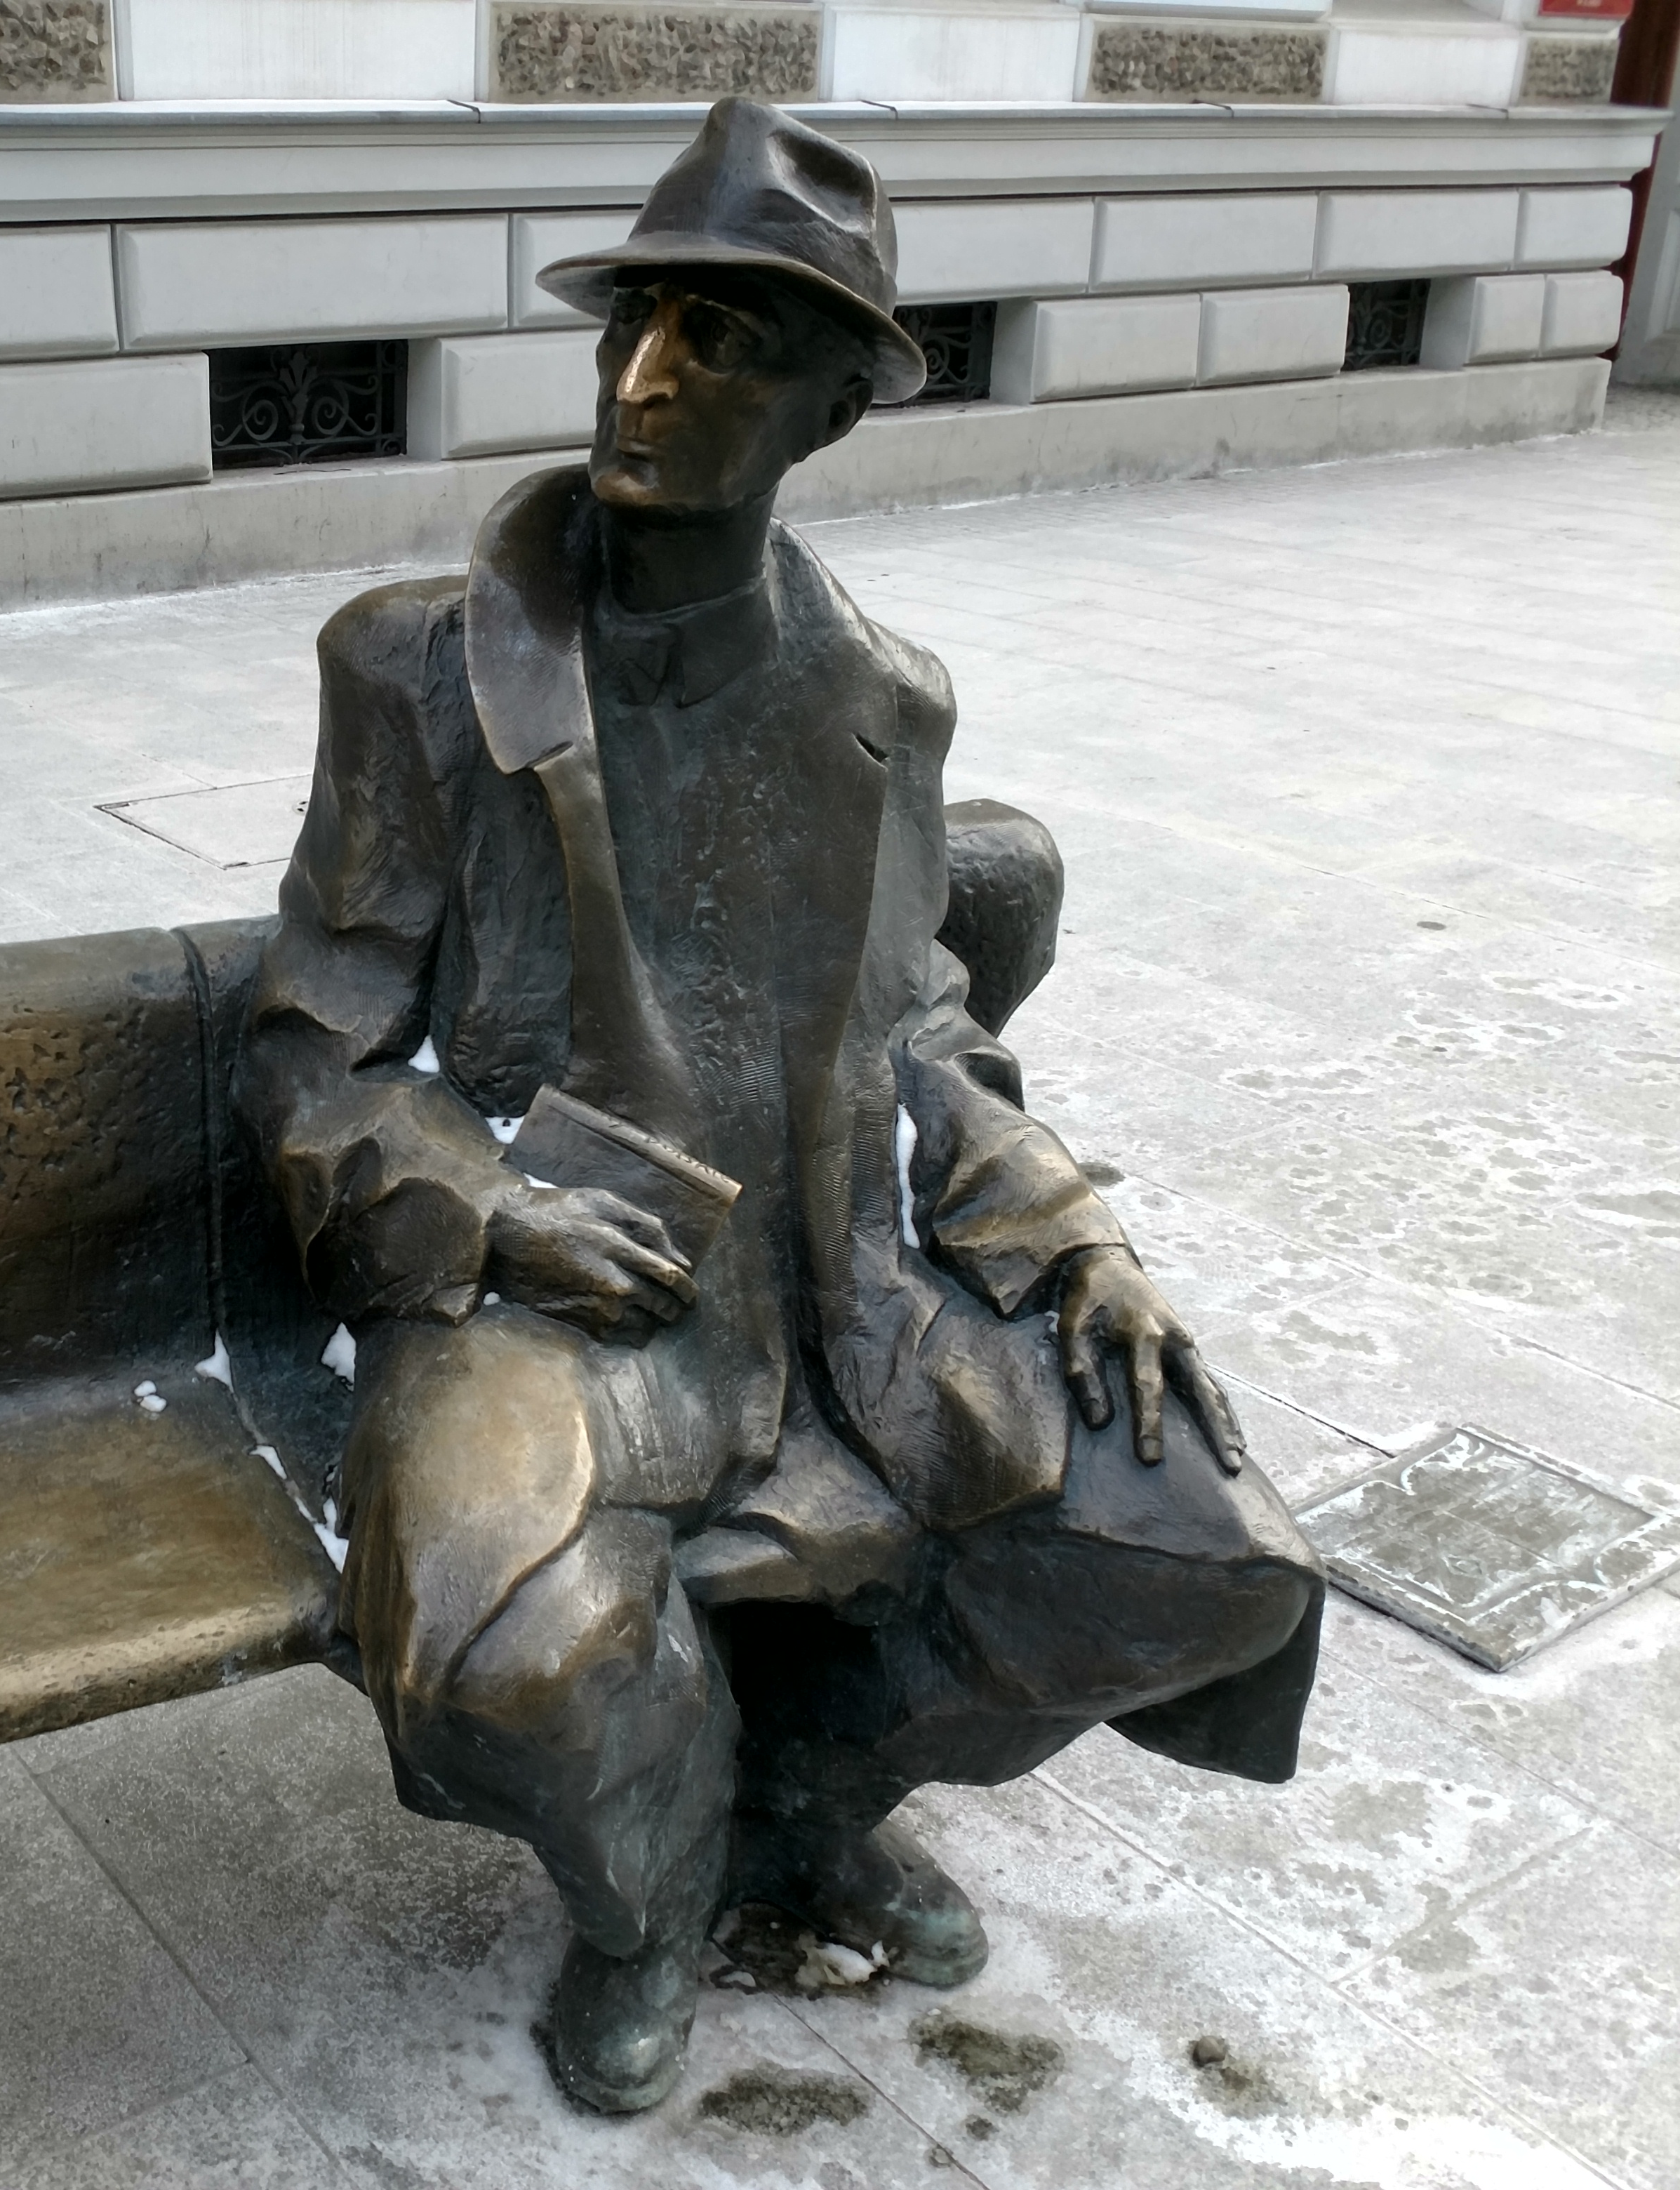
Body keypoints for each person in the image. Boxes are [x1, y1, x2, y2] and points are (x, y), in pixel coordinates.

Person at [234, 99, 1324, 2116]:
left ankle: (808, 1799)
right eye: (634, 323)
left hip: (842, 1288)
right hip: (554, 1292)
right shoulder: (417, 673)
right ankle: (648, 1902)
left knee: (1206, 1551)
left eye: (721, 341)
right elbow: (320, 1050)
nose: (644, 378)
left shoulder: (884, 701)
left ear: (832, 409)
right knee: (501, 1643)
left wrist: (1070, 1231)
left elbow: (926, 1023)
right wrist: (487, 1212)